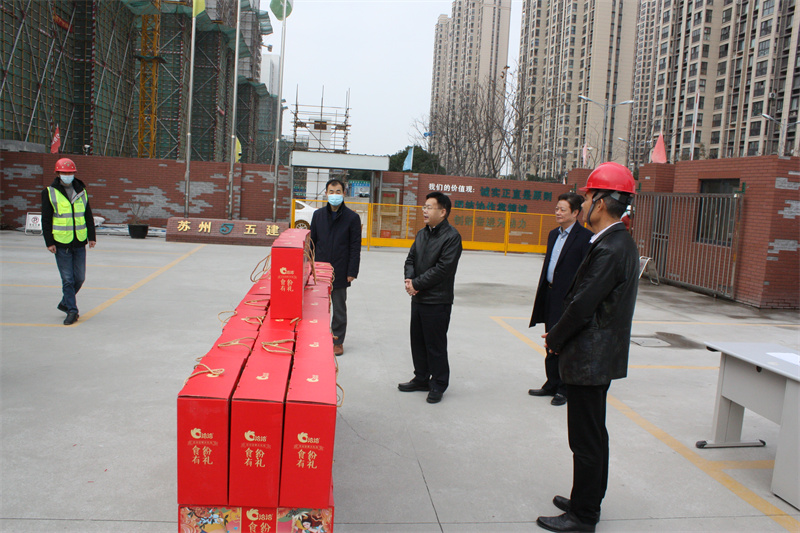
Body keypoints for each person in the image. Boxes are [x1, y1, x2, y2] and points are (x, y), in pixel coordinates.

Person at [536, 162, 640, 533]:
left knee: (585, 439)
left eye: (590, 196)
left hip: (590, 357)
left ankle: (583, 515)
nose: (585, 204)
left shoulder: (611, 247)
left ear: (602, 201)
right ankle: (586, 498)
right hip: (596, 356)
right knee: (593, 435)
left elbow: (582, 305)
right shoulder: (614, 242)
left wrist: (556, 338)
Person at [398, 192, 463, 404]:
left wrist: (416, 284)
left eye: (429, 207)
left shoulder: (452, 237)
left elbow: (443, 269)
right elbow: (410, 259)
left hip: (437, 300)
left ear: (443, 212)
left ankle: (439, 383)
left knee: (435, 345)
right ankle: (421, 378)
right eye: (424, 207)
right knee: (417, 341)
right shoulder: (421, 234)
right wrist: (410, 279)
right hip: (418, 298)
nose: (424, 211)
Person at [529, 192, 592, 406]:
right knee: (550, 339)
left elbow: (584, 273)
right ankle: (551, 383)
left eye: (562, 209)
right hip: (550, 294)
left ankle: (564, 388)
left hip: (568, 299)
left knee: (564, 342)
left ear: (575, 213)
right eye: (556, 208)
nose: (557, 212)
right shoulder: (553, 235)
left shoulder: (585, 238)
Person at [41, 158, 97, 326]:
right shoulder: (49, 192)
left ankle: (65, 302)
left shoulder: (82, 191)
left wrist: (92, 237)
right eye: (64, 173)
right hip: (61, 242)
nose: (68, 175)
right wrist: (49, 242)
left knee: (79, 278)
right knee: (68, 279)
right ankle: (72, 310)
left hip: (79, 241)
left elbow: (87, 215)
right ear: (58, 173)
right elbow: (46, 219)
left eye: (70, 172)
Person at [309, 178, 362, 356]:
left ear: (344, 193)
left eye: (338, 192)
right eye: (331, 192)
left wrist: (352, 271)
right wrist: (309, 266)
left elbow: (355, 246)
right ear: (326, 193)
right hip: (320, 269)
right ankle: (316, 337)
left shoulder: (352, 218)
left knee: (339, 308)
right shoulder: (318, 216)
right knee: (317, 306)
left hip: (340, 269)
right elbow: (312, 243)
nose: (334, 195)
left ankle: (337, 340)